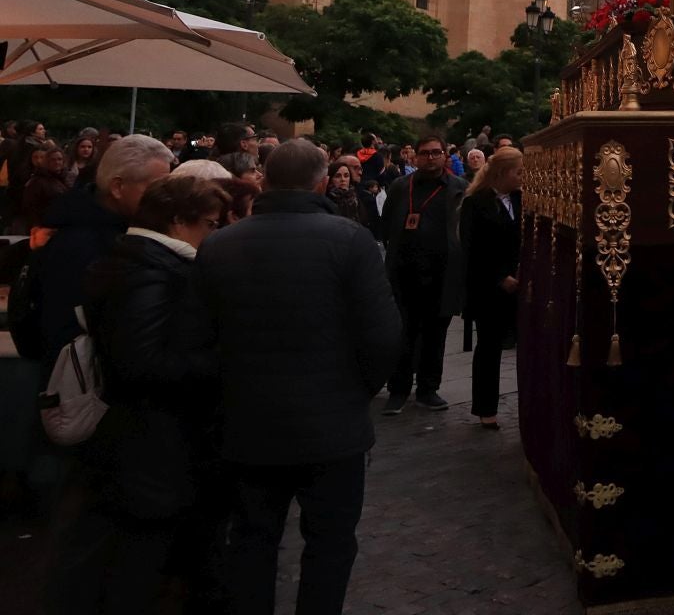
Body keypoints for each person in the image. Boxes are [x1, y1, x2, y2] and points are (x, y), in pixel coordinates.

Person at [197, 139, 401, 615]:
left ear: (265, 180)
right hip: (332, 426)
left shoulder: (219, 244)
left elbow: (199, 337)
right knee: (330, 542)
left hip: (248, 422)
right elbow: (383, 335)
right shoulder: (350, 240)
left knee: (253, 538)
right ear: (322, 183)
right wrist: (357, 390)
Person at [40, 175, 229, 613]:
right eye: (210, 223)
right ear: (178, 221)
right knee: (138, 557)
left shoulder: (138, 260)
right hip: (150, 439)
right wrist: (220, 361)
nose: (215, 233)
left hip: (144, 437)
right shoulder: (150, 271)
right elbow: (142, 362)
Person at [33, 135, 173, 365]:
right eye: (156, 187)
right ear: (117, 187)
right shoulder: (79, 244)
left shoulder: (108, 227)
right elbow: (67, 331)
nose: (165, 197)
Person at [380, 136, 467, 414]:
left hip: (441, 272)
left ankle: (428, 389)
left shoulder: (458, 187)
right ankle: (398, 388)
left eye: (436, 152)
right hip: (403, 271)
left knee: (435, 334)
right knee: (402, 332)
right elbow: (386, 222)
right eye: (425, 153)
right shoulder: (400, 186)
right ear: (415, 156)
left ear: (444, 155)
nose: (431, 157)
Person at [460, 147, 523, 430]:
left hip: (519, 282)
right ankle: (486, 408)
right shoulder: (476, 203)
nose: (522, 177)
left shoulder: (521, 200)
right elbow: (472, 249)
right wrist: (499, 277)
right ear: (502, 173)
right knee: (489, 347)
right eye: (518, 172)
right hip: (488, 288)